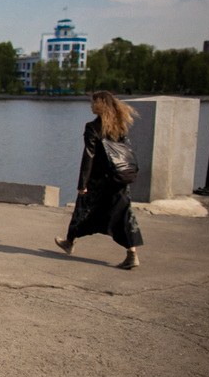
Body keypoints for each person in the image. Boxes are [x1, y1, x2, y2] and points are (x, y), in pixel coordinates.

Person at [55, 91, 144, 269]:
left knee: (83, 209)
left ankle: (69, 242)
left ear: (100, 105)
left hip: (98, 181)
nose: (90, 105)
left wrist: (82, 184)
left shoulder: (92, 127)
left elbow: (89, 156)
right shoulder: (120, 126)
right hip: (118, 178)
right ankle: (132, 254)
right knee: (125, 215)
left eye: (93, 102)